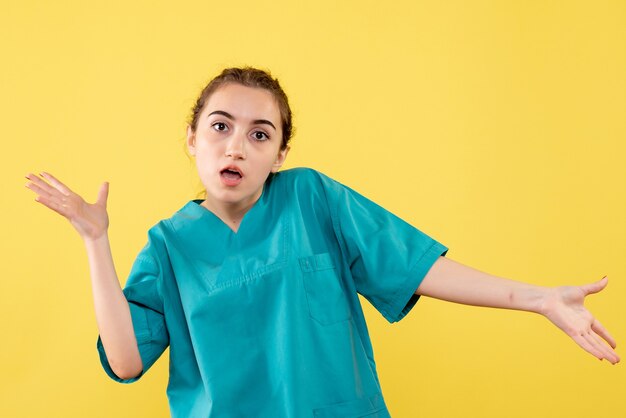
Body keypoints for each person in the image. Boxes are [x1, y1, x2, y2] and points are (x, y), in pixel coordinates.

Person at [25, 67, 619, 418]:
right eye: (220, 126)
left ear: (280, 153)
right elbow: (126, 363)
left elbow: (417, 268)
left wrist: (539, 299)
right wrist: (95, 241)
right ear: (192, 138)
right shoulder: (166, 248)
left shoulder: (312, 199)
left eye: (260, 134)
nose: (236, 146)